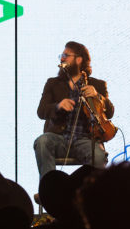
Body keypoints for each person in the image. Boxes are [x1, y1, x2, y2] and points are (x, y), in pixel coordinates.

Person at [33, 41, 114, 177]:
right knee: (42, 142)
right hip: (59, 138)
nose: (62, 58)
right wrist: (58, 106)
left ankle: (87, 194)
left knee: (99, 156)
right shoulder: (53, 83)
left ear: (79, 59)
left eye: (66, 55)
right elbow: (41, 111)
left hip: (86, 140)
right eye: (62, 55)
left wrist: (97, 96)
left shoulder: (97, 84)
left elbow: (110, 112)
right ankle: (49, 190)